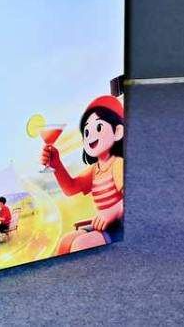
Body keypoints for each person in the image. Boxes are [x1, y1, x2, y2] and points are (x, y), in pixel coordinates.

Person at [43, 94, 125, 253]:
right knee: (66, 241)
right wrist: (56, 164)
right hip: (104, 226)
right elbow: (70, 188)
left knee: (81, 244)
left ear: (117, 131)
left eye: (98, 127)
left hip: (121, 225)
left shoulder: (117, 164)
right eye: (86, 132)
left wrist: (113, 211)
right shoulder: (95, 170)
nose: (91, 136)